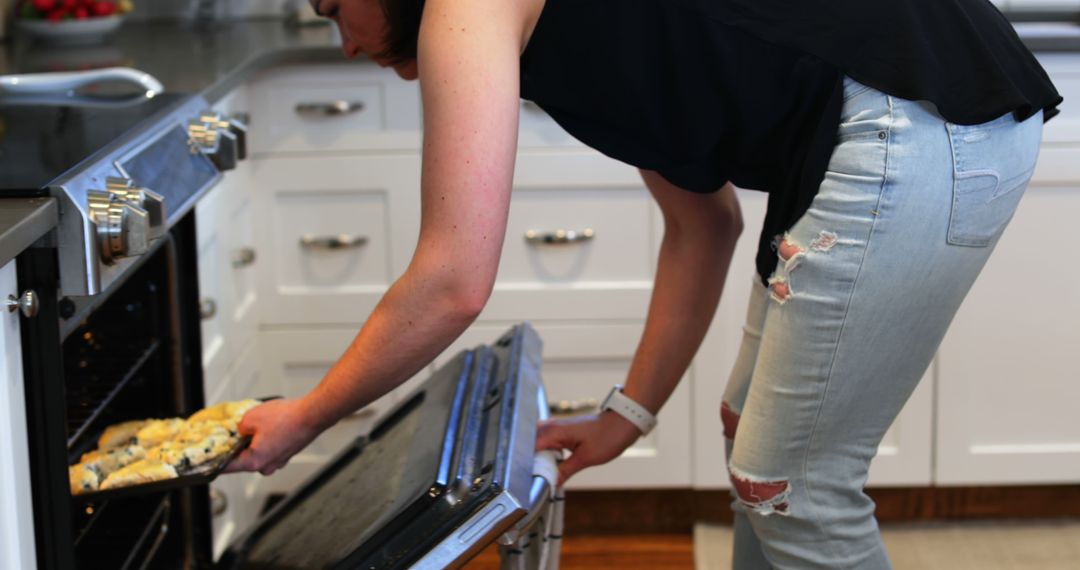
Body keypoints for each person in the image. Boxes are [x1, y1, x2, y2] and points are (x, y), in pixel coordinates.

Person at [225, 0, 1062, 567]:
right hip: (867, 125)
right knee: (757, 452)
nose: (342, 41)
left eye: (335, 8)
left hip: (915, 113)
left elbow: (451, 282)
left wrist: (304, 418)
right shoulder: (578, 33)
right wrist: (623, 420)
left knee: (795, 485)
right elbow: (704, 226)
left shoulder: (465, 7)